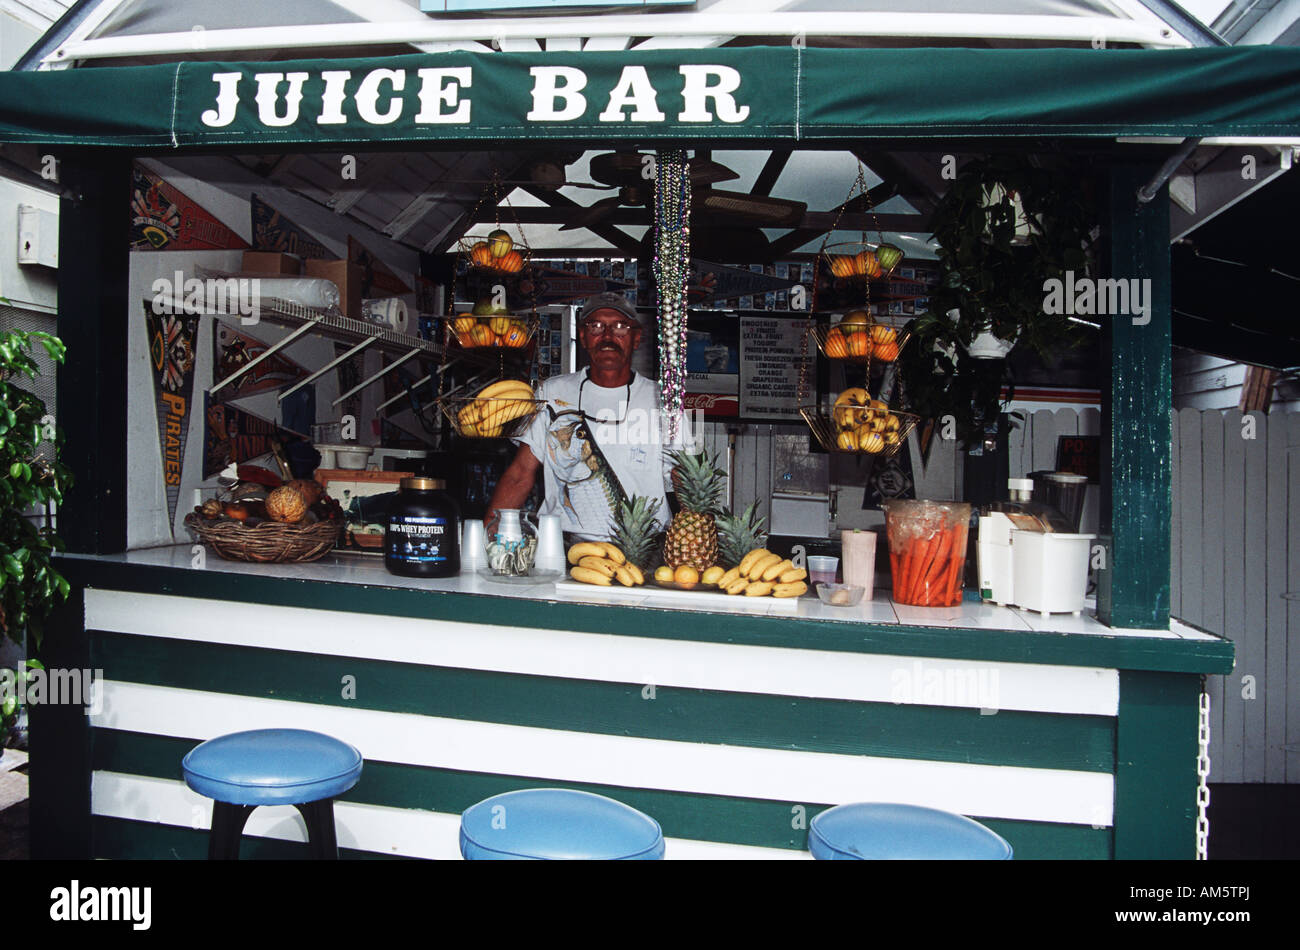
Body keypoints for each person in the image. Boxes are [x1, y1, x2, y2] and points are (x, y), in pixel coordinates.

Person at [485, 293, 689, 542]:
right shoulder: (552, 392)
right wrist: (487, 534)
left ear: (636, 338)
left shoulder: (665, 400)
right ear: (582, 336)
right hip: (566, 546)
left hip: (645, 548)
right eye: (596, 326)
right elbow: (520, 473)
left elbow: (683, 479)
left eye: (620, 327)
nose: (608, 336)